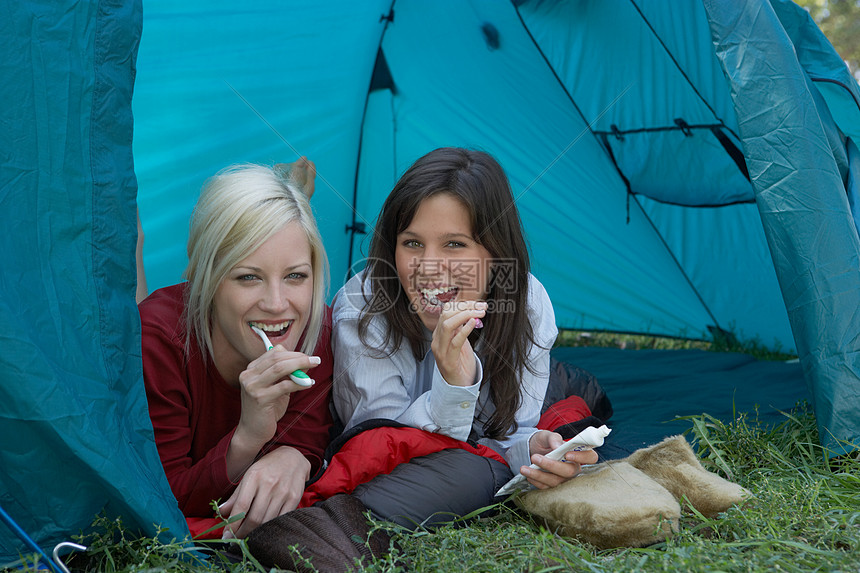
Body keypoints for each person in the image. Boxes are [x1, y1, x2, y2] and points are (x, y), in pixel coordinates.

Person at [330, 147, 598, 527]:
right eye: (412, 243)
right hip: (408, 454)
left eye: (455, 244)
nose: (429, 268)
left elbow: (510, 433)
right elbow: (381, 450)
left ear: (495, 252)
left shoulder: (530, 303)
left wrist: (532, 449)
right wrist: (453, 388)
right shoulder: (361, 310)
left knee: (577, 402)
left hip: (494, 418)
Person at [139, 161, 332, 540]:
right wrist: (248, 436)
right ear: (207, 279)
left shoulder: (314, 328)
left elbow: (309, 436)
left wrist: (294, 455)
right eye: (248, 277)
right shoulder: (158, 340)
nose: (278, 305)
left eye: (295, 276)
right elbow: (162, 499)